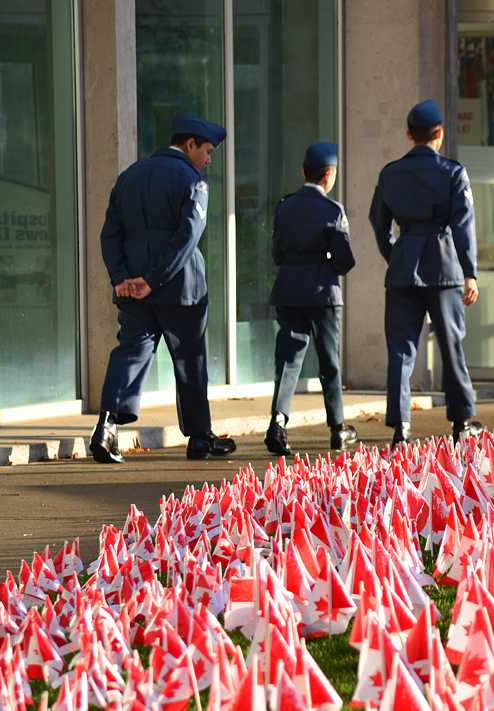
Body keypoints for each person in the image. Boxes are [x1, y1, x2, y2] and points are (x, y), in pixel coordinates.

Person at [90, 114, 237, 463]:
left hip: (132, 285)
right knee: (190, 360)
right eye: (208, 151)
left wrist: (122, 277)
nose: (209, 159)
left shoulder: (130, 175)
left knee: (131, 351)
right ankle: (199, 437)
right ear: (190, 144)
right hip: (180, 287)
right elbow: (187, 236)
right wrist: (155, 279)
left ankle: (106, 428)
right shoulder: (193, 180)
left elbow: (110, 233)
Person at [369, 99, 483, 446]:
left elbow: (378, 223)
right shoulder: (453, 172)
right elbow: (463, 225)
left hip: (404, 267)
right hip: (443, 267)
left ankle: (401, 426)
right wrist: (470, 271)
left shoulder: (390, 173)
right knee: (451, 345)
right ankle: (460, 423)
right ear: (440, 134)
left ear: (409, 134)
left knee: (400, 349)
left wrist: (396, 255)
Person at [265, 142, 358, 456]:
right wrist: (326, 259)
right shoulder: (333, 210)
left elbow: (277, 255)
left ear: (304, 172)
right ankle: (337, 428)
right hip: (323, 294)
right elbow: (344, 262)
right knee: (329, 361)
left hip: (288, 290)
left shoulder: (285, 206)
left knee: (288, 359)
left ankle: (278, 423)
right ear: (329, 176)